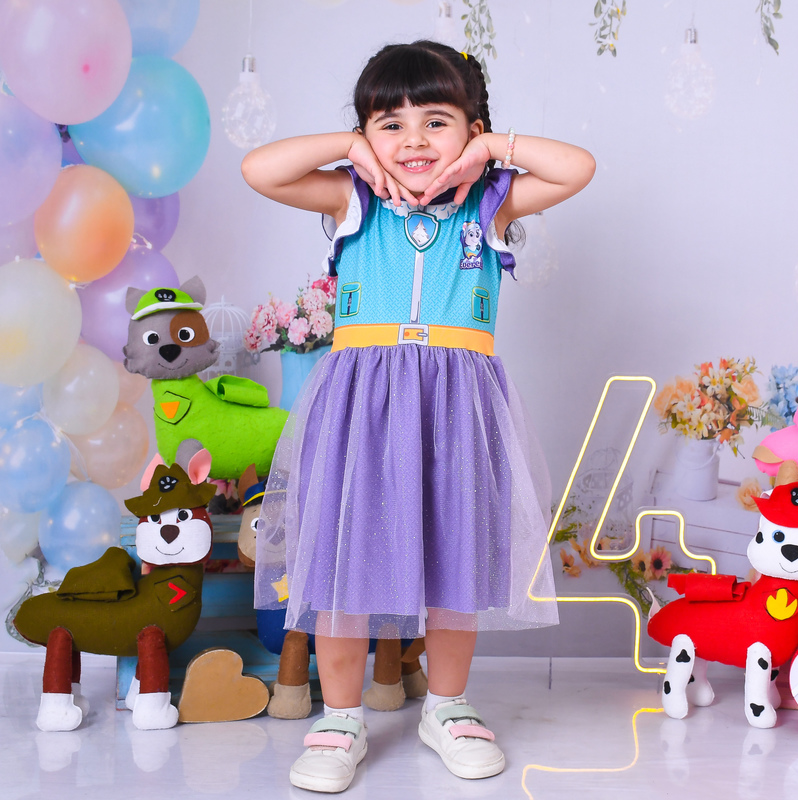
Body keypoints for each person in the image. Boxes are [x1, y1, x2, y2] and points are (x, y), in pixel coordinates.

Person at [241, 40, 594, 792]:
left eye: (437, 121)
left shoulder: (490, 203)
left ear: (472, 129)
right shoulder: (352, 200)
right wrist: (348, 149)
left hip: (457, 404)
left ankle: (448, 705)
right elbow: (259, 169)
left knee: (452, 555)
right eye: (390, 124)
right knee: (344, 558)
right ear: (367, 136)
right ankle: (340, 717)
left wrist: (490, 153)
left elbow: (577, 167)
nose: (414, 140)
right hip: (362, 404)